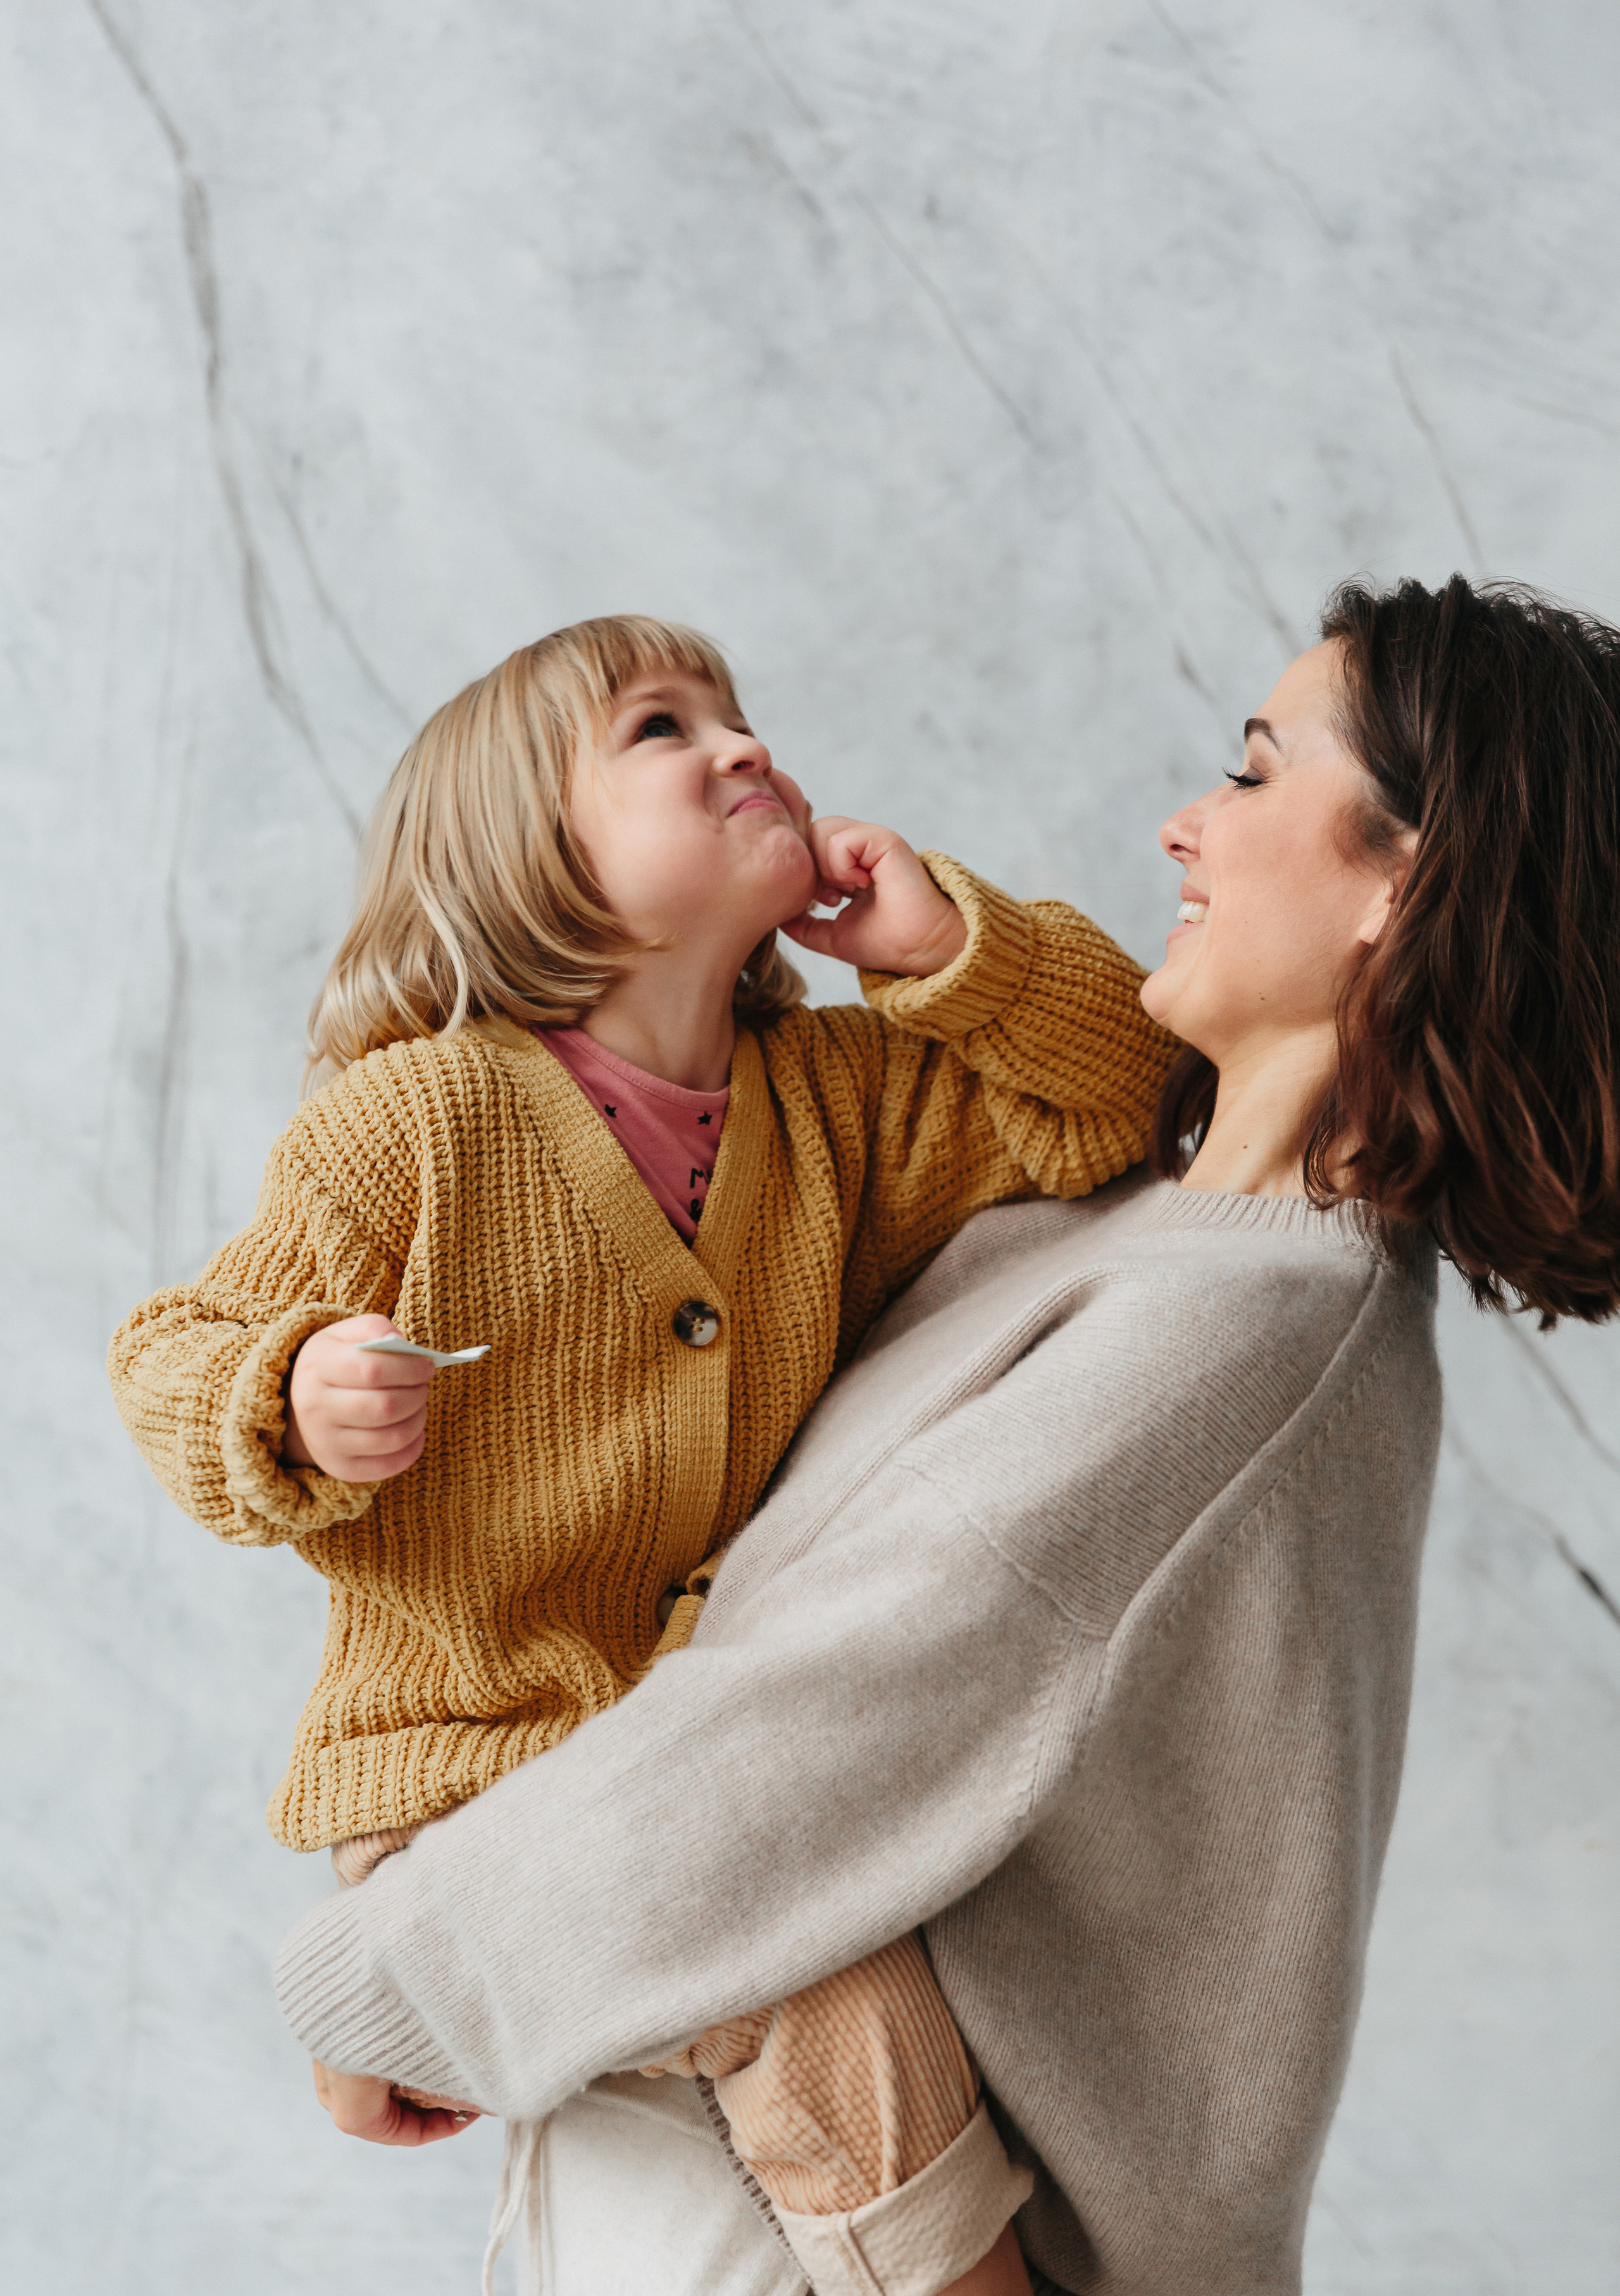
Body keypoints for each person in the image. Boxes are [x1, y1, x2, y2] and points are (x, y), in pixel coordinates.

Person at [274, 575, 1620, 2296]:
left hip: (840, 2239)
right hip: (728, 2149)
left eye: (1260, 774)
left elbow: (823, 1718)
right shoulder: (1130, 1233)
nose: (1186, 825)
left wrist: (389, 1973)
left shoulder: (1252, 1325)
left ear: (1401, 885)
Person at [107, 615, 1174, 2296]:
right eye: (663, 729)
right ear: (529, 854)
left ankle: (418, 1997)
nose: (742, 745)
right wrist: (291, 1385)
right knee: (838, 1996)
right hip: (467, 1781)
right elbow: (168, 1357)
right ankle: (405, 1974)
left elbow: (1125, 1098)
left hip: (705, 1774)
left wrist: (948, 945)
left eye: (744, 715)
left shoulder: (843, 1103)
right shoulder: (418, 1122)